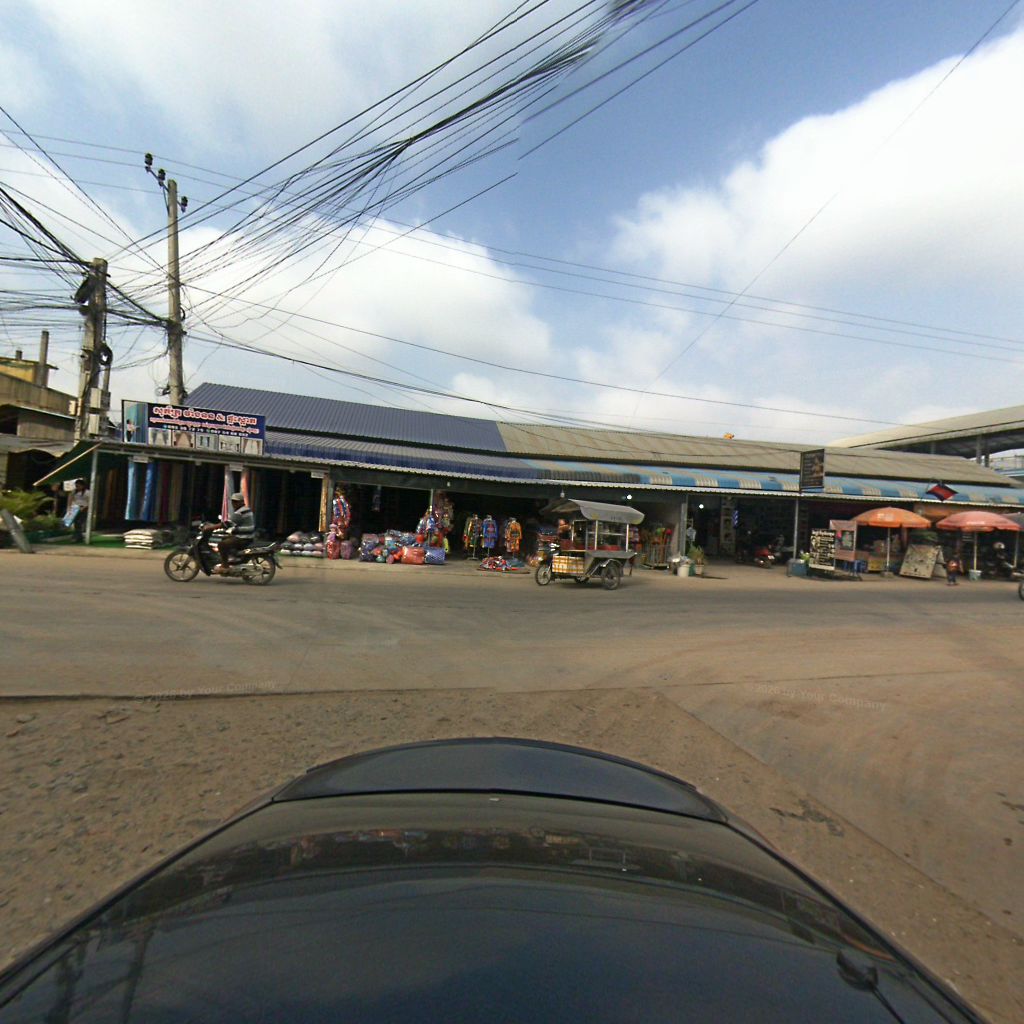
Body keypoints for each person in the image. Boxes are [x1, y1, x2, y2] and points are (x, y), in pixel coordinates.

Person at [214, 492, 255, 573]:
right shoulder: (247, 509)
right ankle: (233, 557)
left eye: (236, 502)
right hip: (247, 536)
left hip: (244, 538)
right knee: (225, 539)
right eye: (233, 502)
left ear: (241, 502)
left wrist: (211, 527)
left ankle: (225, 566)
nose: (234, 504)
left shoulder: (239, 512)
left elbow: (227, 524)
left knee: (222, 545)